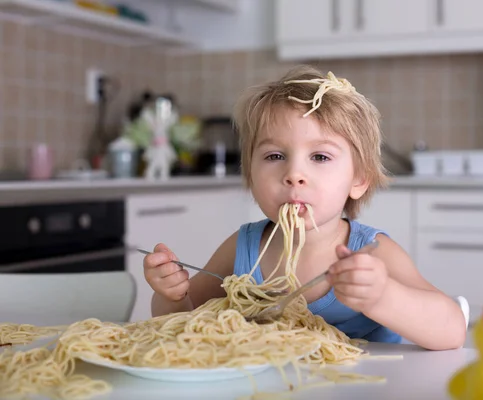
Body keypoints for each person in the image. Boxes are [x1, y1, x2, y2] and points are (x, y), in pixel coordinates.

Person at [143, 65, 466, 351]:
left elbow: (452, 331)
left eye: (320, 157)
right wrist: (172, 296)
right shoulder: (243, 247)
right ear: (251, 175)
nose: (294, 174)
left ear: (359, 179)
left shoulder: (371, 252)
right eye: (274, 156)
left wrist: (382, 296)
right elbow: (184, 325)